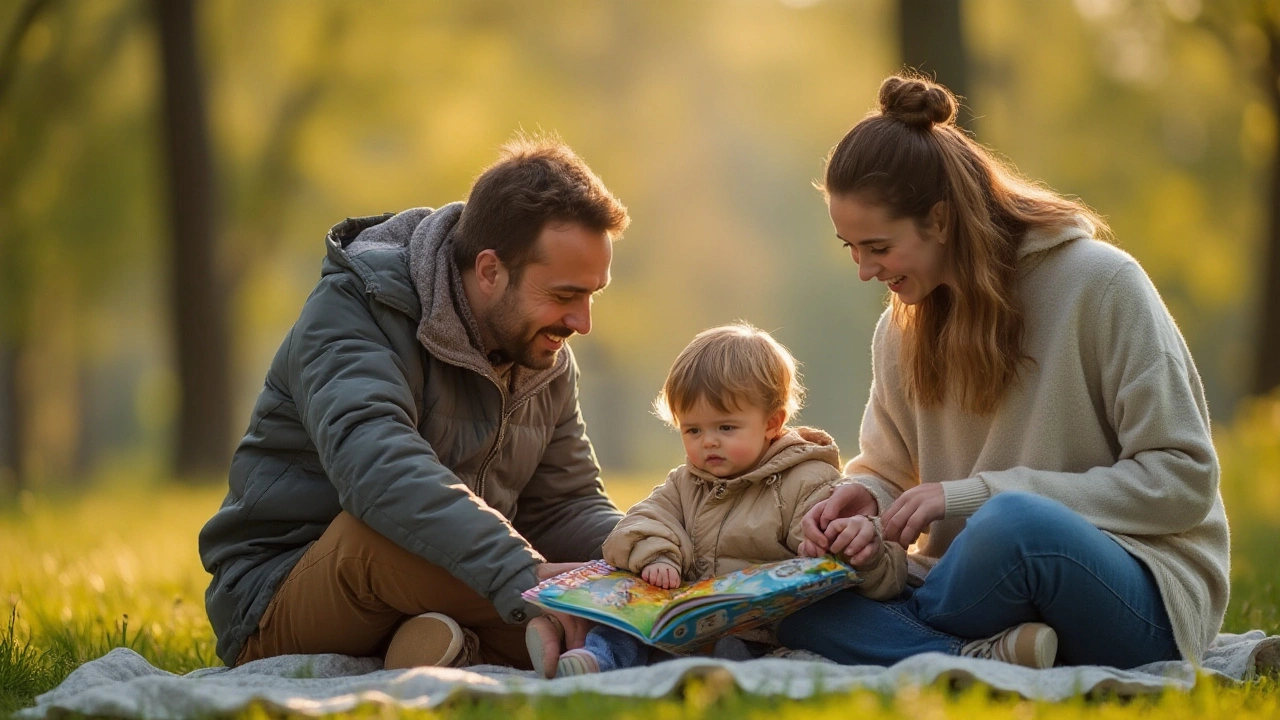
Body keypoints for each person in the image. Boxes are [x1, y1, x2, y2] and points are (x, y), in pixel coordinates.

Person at [775, 74, 1230, 670]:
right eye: (851, 248)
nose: (864, 269)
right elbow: (890, 471)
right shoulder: (900, 329)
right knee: (796, 599)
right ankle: (982, 655)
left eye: (878, 247)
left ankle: (909, 639)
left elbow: (1184, 480)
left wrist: (974, 497)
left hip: (1136, 596)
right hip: (976, 591)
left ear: (938, 220)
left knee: (1014, 526)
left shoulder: (1101, 284)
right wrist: (861, 505)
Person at [198, 134, 631, 671]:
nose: (582, 323)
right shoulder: (356, 310)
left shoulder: (540, 350)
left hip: (454, 582)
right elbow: (378, 469)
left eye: (592, 296)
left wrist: (644, 548)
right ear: (491, 271)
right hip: (278, 594)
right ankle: (551, 636)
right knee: (378, 531)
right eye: (565, 295)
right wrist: (525, 577)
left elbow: (565, 504)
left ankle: (443, 645)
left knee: (624, 592)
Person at [525, 323, 909, 677]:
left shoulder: (806, 481)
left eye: (726, 427)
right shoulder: (687, 482)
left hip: (758, 632)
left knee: (735, 653)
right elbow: (641, 521)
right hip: (685, 620)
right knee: (625, 617)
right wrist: (659, 555)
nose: (708, 441)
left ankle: (713, 681)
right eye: (693, 429)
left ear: (772, 423)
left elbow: (837, 552)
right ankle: (595, 662)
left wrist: (835, 547)